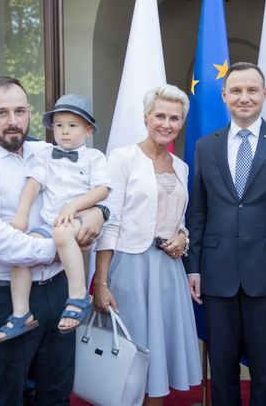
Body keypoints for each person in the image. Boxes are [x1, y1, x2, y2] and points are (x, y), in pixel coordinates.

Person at [0, 76, 105, 405]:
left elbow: (94, 188)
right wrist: (57, 249)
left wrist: (98, 213)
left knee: (56, 393)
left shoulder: (47, 150)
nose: (13, 121)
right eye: (2, 112)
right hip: (2, 298)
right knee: (3, 396)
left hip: (57, 290)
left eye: (20, 111)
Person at [186, 61, 266, 405]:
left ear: (264, 95)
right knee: (222, 371)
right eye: (237, 91)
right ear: (225, 96)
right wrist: (193, 267)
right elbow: (198, 211)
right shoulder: (205, 146)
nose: (245, 97)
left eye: (252, 90)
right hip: (217, 274)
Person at [93, 84, 201, 405]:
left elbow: (179, 218)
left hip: (169, 272)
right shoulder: (123, 158)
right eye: (160, 116)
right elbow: (108, 221)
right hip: (130, 270)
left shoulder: (181, 167)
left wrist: (183, 238)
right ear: (145, 118)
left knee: (158, 361)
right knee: (130, 355)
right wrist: (100, 282)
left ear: (182, 123)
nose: (166, 123)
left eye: (175, 118)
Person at [0, 94, 110, 343]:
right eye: (59, 125)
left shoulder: (94, 158)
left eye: (72, 125)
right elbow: (32, 185)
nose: (64, 131)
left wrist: (74, 205)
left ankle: (78, 295)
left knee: (62, 232)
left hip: (79, 218)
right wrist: (22, 215)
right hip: (50, 222)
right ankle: (21, 313)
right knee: (20, 249)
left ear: (88, 130)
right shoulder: (45, 156)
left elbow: (102, 190)